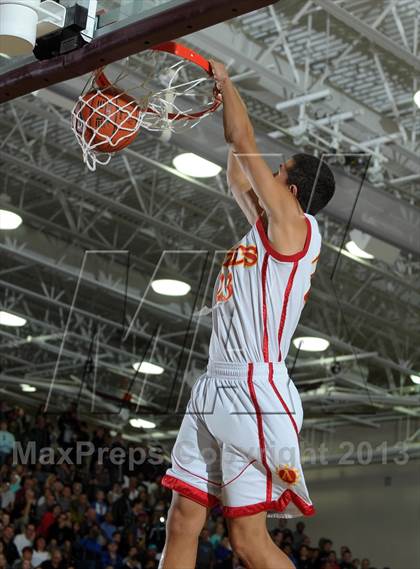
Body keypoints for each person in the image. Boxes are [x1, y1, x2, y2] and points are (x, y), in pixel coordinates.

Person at [159, 60, 335, 569]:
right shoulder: (266, 227)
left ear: (294, 192)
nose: (270, 175)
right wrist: (220, 110)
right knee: (182, 518)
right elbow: (238, 169)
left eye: (279, 173)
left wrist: (224, 80)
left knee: (248, 542)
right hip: (216, 382)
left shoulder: (294, 228)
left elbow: (243, 137)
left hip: (256, 390)